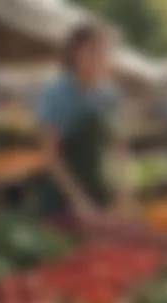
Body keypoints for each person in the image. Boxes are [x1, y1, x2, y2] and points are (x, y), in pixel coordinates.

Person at [35, 24, 132, 230]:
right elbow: (50, 155)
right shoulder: (57, 94)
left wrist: (122, 191)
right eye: (92, 51)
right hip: (62, 198)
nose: (99, 58)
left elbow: (118, 147)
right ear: (74, 53)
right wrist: (78, 200)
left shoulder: (109, 95)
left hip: (98, 192)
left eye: (104, 52)